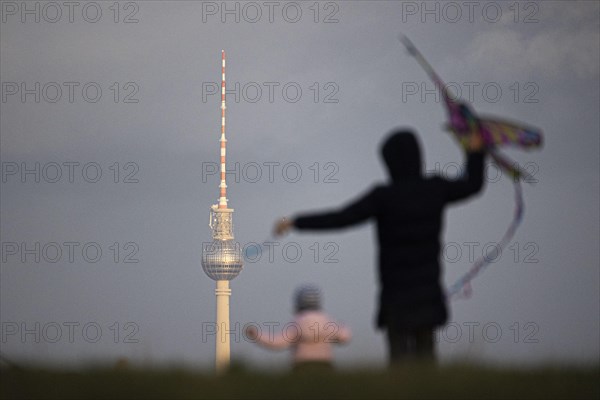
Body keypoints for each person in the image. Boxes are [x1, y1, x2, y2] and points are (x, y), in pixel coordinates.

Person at [274, 129, 485, 364]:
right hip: (428, 293)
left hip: (396, 295)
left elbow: (340, 218)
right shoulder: (435, 189)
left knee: (399, 362)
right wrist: (475, 152)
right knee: (427, 360)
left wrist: (296, 222)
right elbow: (473, 185)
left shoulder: (383, 198)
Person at [245, 284, 351, 370]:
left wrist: (256, 334)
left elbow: (277, 342)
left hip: (302, 366)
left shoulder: (297, 322)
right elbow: (345, 336)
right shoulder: (326, 320)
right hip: (325, 365)